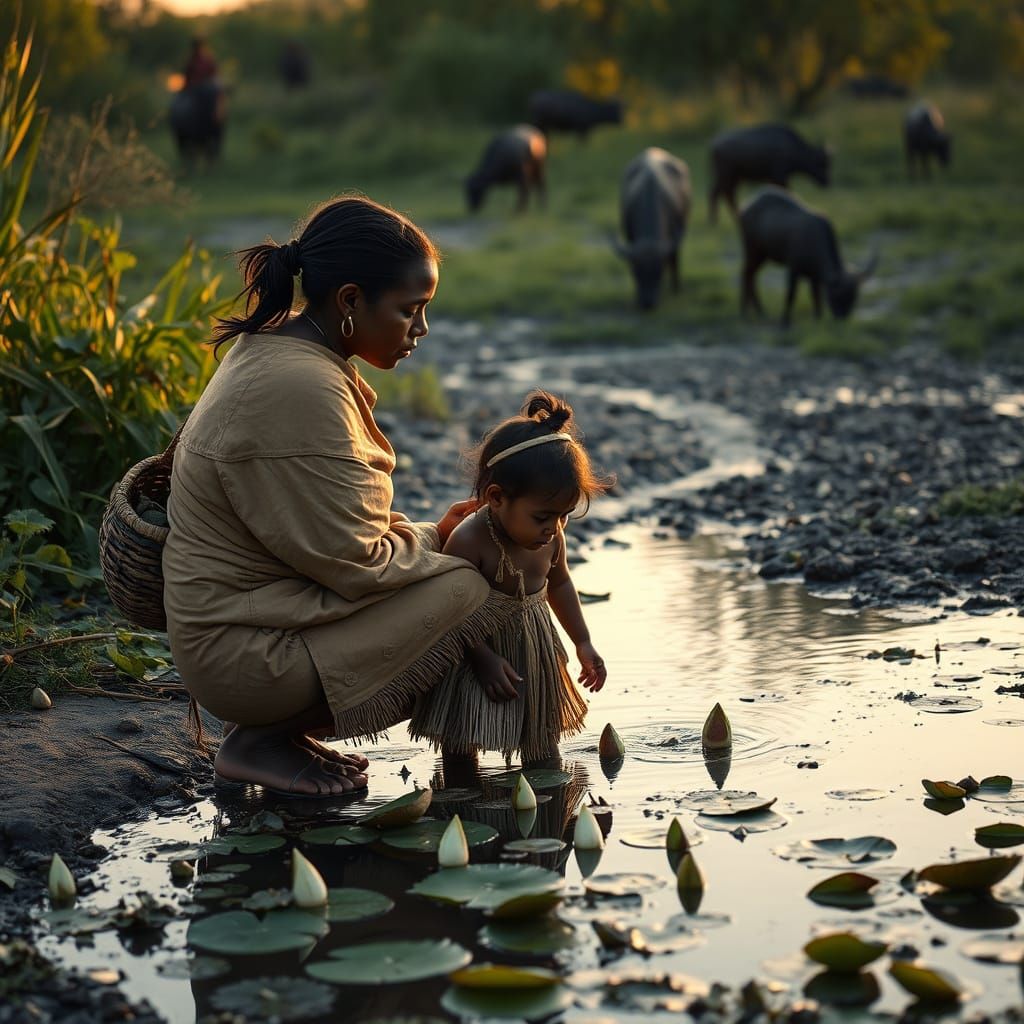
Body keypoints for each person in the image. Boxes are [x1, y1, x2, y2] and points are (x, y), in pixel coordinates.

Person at [162, 196, 524, 797]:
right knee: (465, 587)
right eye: (411, 310)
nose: (422, 330)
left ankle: (274, 736)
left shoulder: (287, 351)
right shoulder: (302, 384)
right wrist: (443, 545)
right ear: (350, 300)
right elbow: (357, 564)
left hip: (246, 629)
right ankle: (259, 738)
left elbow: (328, 533)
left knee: (449, 570)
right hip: (243, 658)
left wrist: (433, 534)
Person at [409, 392, 611, 762]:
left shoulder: (552, 536)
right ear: (497, 497)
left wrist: (583, 642)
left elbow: (560, 583)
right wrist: (482, 658)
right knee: (460, 743)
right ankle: (457, 802)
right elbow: (446, 612)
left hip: (532, 648)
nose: (554, 528)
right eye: (542, 517)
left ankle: (550, 806)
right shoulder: (470, 540)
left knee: (541, 742)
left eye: (563, 516)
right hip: (471, 650)